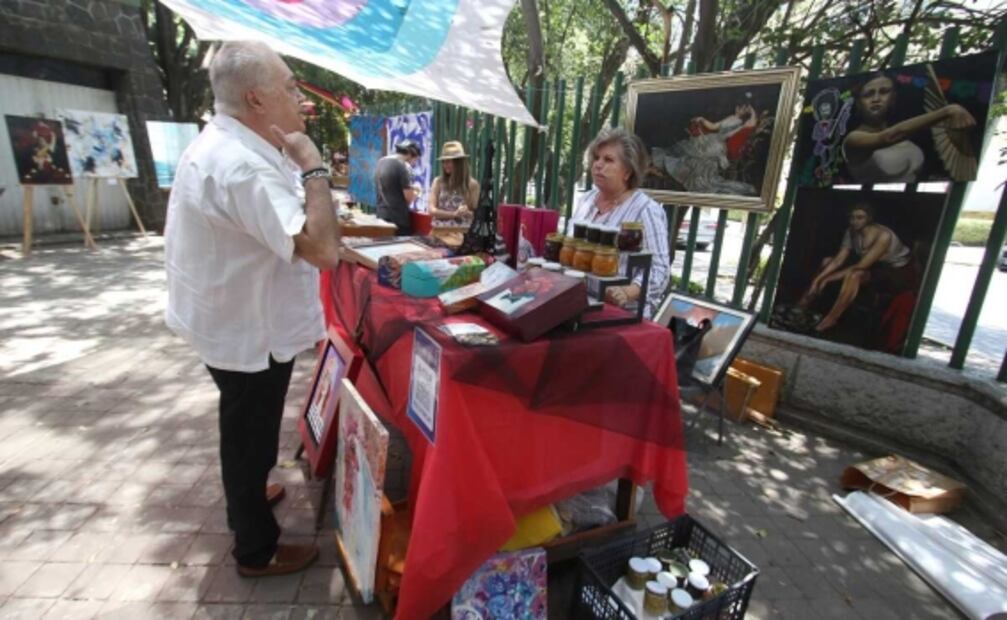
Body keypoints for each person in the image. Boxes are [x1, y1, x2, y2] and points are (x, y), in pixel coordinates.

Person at [164, 41, 340, 578]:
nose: (300, 96)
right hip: (246, 330)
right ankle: (255, 548)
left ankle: (249, 492)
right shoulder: (241, 164)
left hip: (227, 319)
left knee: (246, 428)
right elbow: (322, 249)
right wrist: (313, 167)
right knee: (249, 435)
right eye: (290, 86)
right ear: (256, 99)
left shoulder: (229, 144)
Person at [568, 127, 670, 318]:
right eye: (596, 158)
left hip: (620, 315)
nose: (598, 165)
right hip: (580, 305)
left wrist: (627, 292)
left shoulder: (646, 210)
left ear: (628, 172)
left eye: (608, 160)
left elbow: (660, 270)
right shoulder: (586, 200)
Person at [842, 73, 976, 183]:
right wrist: (947, 111)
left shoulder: (907, 139)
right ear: (859, 102)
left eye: (884, 92)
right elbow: (888, 137)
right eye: (868, 94)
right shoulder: (854, 138)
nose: (876, 98)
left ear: (893, 97)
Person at [801, 203, 914, 333]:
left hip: (896, 272)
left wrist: (827, 279)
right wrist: (818, 280)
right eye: (852, 217)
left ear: (869, 218)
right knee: (827, 261)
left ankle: (831, 319)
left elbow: (862, 266)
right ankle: (804, 303)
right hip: (875, 267)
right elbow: (838, 260)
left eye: (860, 217)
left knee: (855, 274)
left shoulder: (883, 235)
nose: (855, 221)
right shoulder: (851, 231)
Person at [650, 104, 759, 196]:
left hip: (718, 147)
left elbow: (752, 122)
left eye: (743, 108)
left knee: (693, 152)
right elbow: (713, 126)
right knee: (687, 148)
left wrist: (751, 110)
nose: (738, 109)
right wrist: (702, 119)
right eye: (739, 107)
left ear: (745, 112)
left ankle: (663, 164)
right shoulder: (732, 118)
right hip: (713, 140)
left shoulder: (741, 125)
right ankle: (661, 163)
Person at [375, 140, 421, 235]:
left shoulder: (381, 162)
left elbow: (391, 185)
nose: (414, 164)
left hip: (381, 216)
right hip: (398, 220)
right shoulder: (403, 166)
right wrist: (417, 192)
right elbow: (408, 198)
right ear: (411, 154)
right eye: (415, 160)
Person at [429, 140, 479, 226]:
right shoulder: (438, 182)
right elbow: (432, 210)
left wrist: (466, 212)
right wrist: (453, 214)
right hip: (439, 229)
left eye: (448, 161)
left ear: (459, 163)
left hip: (462, 230)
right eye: (443, 161)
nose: (445, 165)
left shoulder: (472, 184)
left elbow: (475, 214)